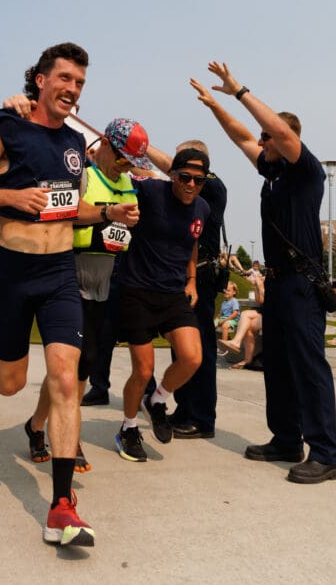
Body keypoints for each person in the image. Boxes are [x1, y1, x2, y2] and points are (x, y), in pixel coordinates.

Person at [0, 42, 137, 547]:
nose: (72, 89)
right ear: (40, 79)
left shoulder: (75, 142)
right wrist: (11, 196)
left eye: (79, 83)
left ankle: (61, 505)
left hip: (59, 272)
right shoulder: (7, 126)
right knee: (13, 380)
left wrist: (107, 214)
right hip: (13, 271)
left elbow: (67, 207)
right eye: (65, 79)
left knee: (64, 377)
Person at [190, 61, 336, 484]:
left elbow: (281, 131)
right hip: (276, 283)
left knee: (309, 366)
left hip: (301, 283)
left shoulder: (305, 170)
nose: (260, 141)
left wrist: (238, 89)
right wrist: (214, 107)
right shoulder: (272, 171)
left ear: (281, 137)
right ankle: (287, 439)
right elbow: (241, 135)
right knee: (277, 364)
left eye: (267, 137)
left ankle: (326, 453)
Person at [23, 117, 151, 474]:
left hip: (105, 278)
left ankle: (36, 425)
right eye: (123, 158)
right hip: (69, 272)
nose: (126, 167)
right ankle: (68, 434)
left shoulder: (127, 182)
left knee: (84, 364)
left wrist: (124, 227)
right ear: (105, 145)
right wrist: (104, 220)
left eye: (131, 162)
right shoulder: (84, 173)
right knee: (75, 364)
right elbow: (54, 211)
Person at [114, 148, 209, 462]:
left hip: (172, 294)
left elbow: (191, 243)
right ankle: (128, 428)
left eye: (198, 180)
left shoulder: (202, 209)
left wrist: (192, 279)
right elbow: (117, 180)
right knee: (143, 370)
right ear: (173, 175)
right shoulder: (151, 191)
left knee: (193, 357)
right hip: (136, 291)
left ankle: (157, 401)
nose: (191, 185)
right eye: (184, 177)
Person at [145, 139, 228, 442]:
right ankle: (184, 409)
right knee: (180, 349)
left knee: (201, 351)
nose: (181, 177)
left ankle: (202, 418)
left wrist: (143, 147)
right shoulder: (183, 194)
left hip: (202, 278)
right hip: (179, 279)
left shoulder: (214, 187)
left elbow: (167, 168)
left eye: (185, 163)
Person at [218, 271, 265, 369]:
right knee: (245, 316)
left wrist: (260, 285)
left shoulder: (280, 279)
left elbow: (269, 300)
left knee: (246, 321)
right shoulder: (269, 279)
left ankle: (238, 345)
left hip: (277, 315)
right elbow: (259, 300)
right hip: (264, 314)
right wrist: (256, 285)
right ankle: (244, 355)